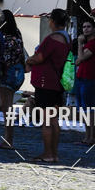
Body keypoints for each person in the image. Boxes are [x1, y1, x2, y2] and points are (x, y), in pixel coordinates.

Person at [26, 9, 71, 164]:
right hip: (57, 83)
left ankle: (48, 154)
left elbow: (39, 57)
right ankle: (54, 154)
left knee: (46, 121)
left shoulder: (52, 39)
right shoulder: (67, 38)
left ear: (52, 21)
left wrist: (28, 60)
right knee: (53, 120)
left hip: (46, 83)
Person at [0, 8, 25, 149]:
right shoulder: (17, 33)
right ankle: (8, 138)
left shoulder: (2, 36)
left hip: (7, 73)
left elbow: (2, 58)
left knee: (7, 108)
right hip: (18, 71)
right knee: (8, 106)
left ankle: (8, 139)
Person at [75, 17, 95, 144]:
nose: (85, 29)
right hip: (81, 78)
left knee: (90, 109)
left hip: (89, 79)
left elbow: (80, 58)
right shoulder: (87, 44)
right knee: (84, 110)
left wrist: (80, 44)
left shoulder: (94, 43)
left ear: (94, 28)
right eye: (84, 27)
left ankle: (92, 137)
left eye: (88, 27)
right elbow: (77, 61)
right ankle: (87, 136)